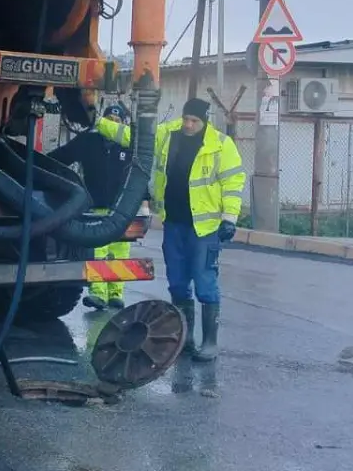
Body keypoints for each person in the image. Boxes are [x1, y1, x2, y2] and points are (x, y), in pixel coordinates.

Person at [93, 97, 245, 362]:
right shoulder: (168, 133)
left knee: (204, 281)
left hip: (204, 228)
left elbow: (232, 182)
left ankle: (209, 342)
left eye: (194, 121)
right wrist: (98, 122)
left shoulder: (221, 145)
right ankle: (184, 339)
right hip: (174, 223)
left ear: (204, 121)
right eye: (186, 119)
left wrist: (229, 218)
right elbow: (130, 136)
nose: (188, 124)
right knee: (177, 282)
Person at [47, 104, 133, 310]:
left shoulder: (129, 147)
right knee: (98, 252)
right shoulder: (89, 141)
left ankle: (116, 294)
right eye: (109, 120)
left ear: (123, 125)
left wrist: (143, 201)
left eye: (117, 121)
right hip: (94, 207)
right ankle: (98, 295)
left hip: (120, 210)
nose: (113, 124)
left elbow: (139, 174)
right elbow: (61, 156)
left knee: (119, 254)